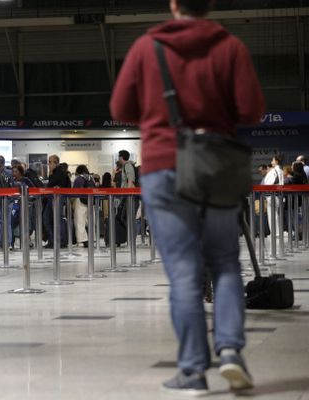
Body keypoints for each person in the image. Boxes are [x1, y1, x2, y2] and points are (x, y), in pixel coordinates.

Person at [110, 0, 265, 394]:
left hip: (164, 166)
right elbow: (252, 109)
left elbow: (120, 107)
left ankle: (193, 370)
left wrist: (159, 112)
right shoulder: (230, 46)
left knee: (183, 271)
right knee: (225, 263)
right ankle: (230, 350)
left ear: (173, 4)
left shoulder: (148, 46)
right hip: (215, 165)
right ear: (210, 5)